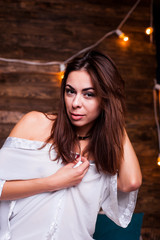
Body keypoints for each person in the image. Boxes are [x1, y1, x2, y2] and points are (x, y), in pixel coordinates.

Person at [0, 50, 142, 240]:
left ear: (106, 99)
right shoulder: (35, 124)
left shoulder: (105, 148)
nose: (75, 103)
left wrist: (115, 118)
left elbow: (131, 182)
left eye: (89, 94)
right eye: (70, 91)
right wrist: (52, 183)